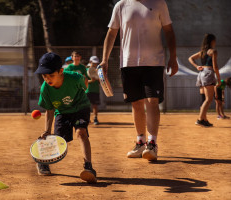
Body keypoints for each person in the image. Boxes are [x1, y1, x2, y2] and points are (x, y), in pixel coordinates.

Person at [100, 0, 178, 161]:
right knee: (136, 103)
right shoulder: (121, 5)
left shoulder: (159, 3)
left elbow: (169, 31)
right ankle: (140, 141)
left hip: (154, 62)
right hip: (129, 63)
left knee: (152, 100)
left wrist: (174, 57)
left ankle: (152, 143)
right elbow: (112, 33)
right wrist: (104, 60)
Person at [34, 52, 97, 183]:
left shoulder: (74, 78)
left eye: (51, 75)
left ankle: (88, 167)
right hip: (62, 112)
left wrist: (85, 86)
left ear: (61, 71)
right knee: (59, 141)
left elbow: (84, 82)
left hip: (80, 107)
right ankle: (42, 161)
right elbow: (49, 110)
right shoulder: (45, 89)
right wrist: (47, 130)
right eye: (44, 76)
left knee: (81, 132)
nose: (47, 79)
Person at [189, 33, 221, 127]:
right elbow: (215, 66)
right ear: (212, 41)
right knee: (208, 99)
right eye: (215, 40)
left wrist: (197, 66)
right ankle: (200, 119)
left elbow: (190, 58)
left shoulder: (202, 52)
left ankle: (204, 119)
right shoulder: (213, 51)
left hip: (201, 73)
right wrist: (218, 79)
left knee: (206, 99)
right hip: (208, 73)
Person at [86, 56, 100, 125]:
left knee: (95, 105)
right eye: (94, 63)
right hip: (87, 90)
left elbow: (101, 82)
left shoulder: (99, 70)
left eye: (96, 63)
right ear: (90, 62)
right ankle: (87, 119)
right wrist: (91, 80)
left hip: (95, 90)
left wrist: (98, 79)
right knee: (86, 106)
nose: (95, 64)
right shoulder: (86, 70)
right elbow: (83, 81)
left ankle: (95, 118)